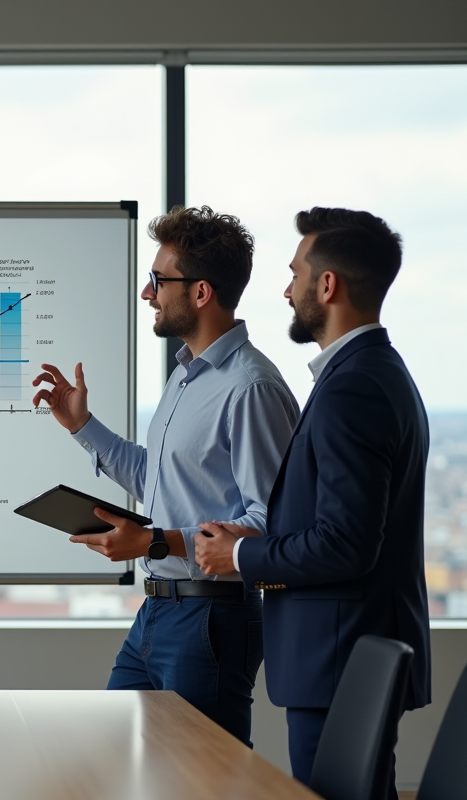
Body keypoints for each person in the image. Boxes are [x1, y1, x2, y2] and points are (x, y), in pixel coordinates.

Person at [32, 206, 298, 746]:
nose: (147, 293)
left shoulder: (251, 389)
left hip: (211, 619)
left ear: (200, 292)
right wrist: (82, 425)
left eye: (158, 280)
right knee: (113, 758)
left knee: (201, 782)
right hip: (158, 610)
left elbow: (271, 525)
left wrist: (154, 541)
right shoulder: (185, 377)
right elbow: (156, 478)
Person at [196, 208, 431, 793]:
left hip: (339, 659)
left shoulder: (354, 385)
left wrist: (244, 558)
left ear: (327, 286)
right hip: (346, 655)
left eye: (296, 271)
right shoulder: (372, 372)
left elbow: (347, 543)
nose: (286, 287)